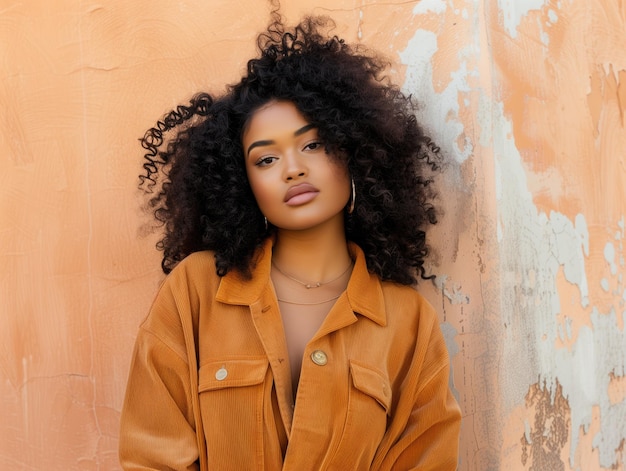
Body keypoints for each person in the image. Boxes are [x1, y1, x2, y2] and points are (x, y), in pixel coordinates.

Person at [120, 14, 461, 471]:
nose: (293, 169)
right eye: (265, 159)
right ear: (243, 185)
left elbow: (425, 458)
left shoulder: (408, 320)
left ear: (354, 151)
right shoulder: (195, 291)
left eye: (314, 145)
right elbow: (152, 455)